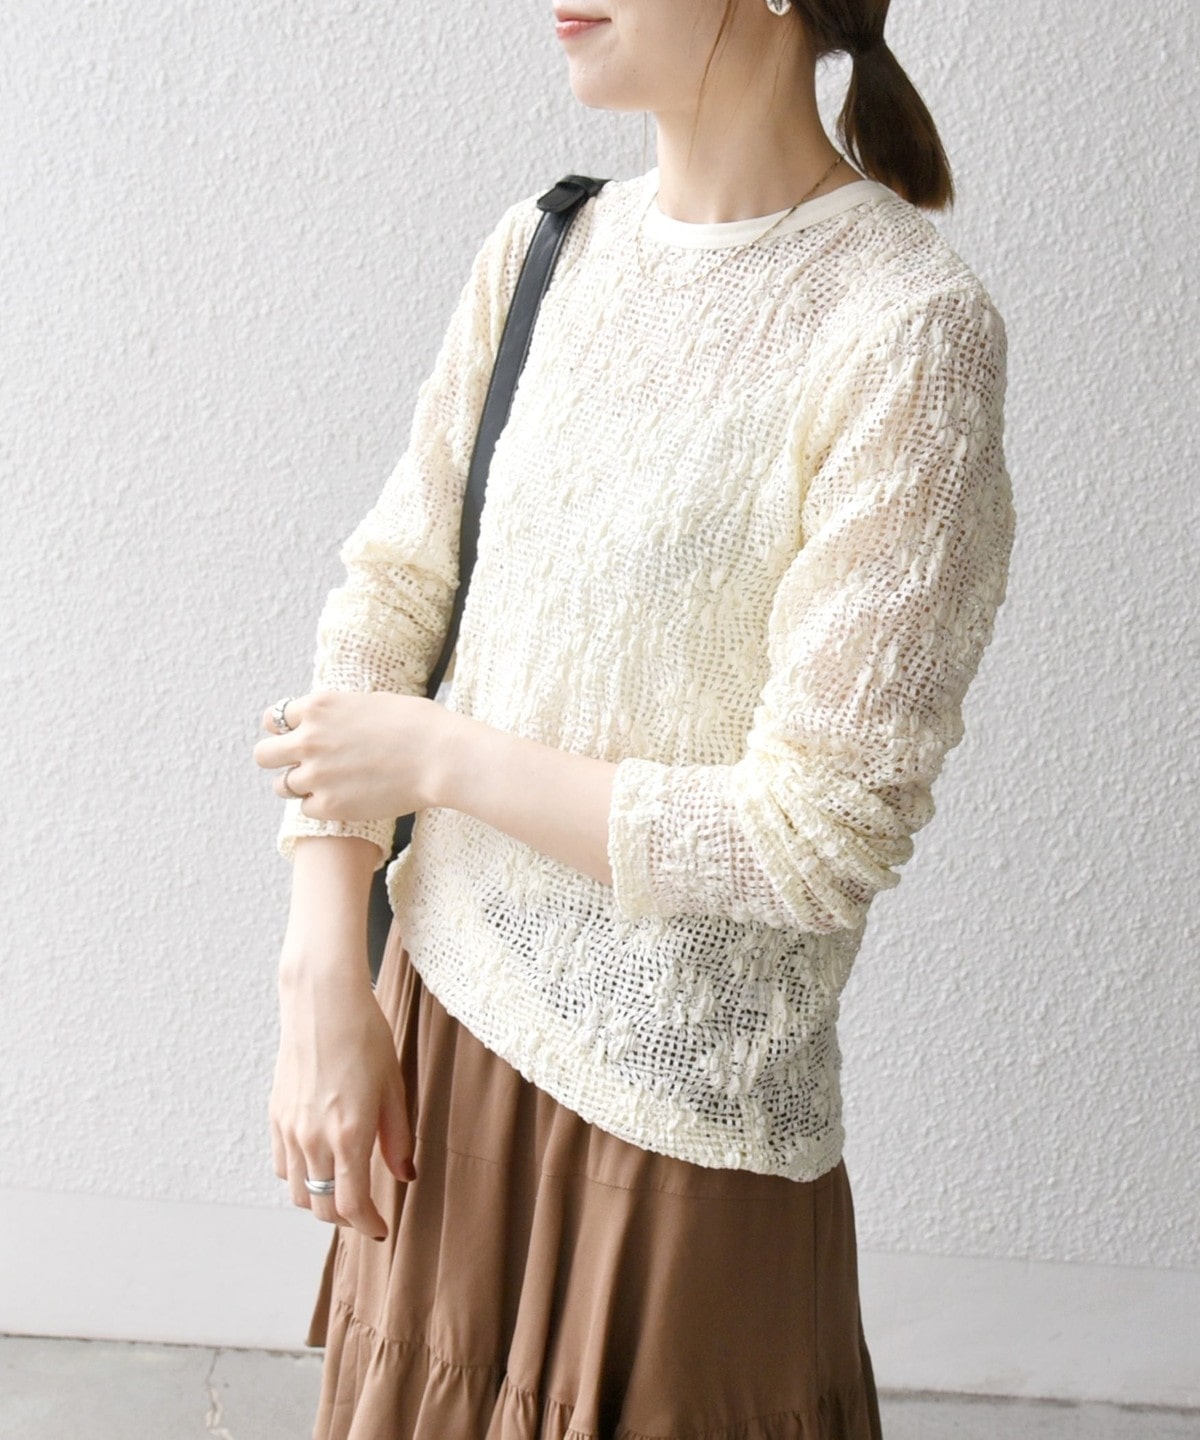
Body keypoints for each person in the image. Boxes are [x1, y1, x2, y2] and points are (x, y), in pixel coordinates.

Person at [253, 0, 1016, 1435]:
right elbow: (390, 598)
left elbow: (814, 837)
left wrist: (444, 759)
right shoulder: (545, 251)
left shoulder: (907, 331)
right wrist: (321, 974)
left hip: (675, 1136)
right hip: (436, 1054)